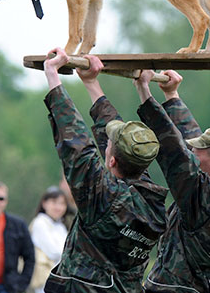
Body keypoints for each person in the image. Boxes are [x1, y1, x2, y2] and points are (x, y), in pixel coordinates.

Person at [41, 48, 167, 292]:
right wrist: (92, 83)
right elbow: (119, 142)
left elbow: (77, 146)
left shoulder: (103, 197)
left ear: (111, 161)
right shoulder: (154, 206)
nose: (104, 145)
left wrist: (53, 77)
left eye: (107, 146)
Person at [133, 69, 210, 293]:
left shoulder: (207, 197)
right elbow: (190, 141)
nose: (192, 154)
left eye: (197, 152)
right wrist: (172, 96)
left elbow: (175, 152)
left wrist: (144, 92)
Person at [0, 181, 34, 293]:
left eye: (1, 198)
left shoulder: (18, 225)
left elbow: (30, 258)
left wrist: (21, 285)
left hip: (7, 287)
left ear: (6, 201)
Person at [29, 187, 69, 293]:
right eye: (54, 202)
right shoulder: (40, 223)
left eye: (62, 203)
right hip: (46, 280)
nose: (58, 207)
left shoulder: (60, 225)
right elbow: (54, 252)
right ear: (44, 203)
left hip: (61, 280)